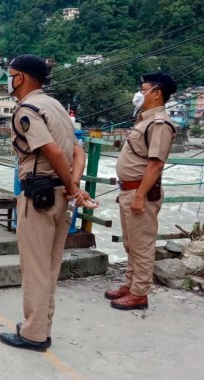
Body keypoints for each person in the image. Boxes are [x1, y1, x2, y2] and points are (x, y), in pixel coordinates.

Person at [0, 54, 90, 352]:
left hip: (39, 196)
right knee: (50, 268)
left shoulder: (28, 109)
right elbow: (78, 152)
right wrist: (73, 187)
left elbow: (53, 152)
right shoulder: (57, 107)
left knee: (35, 268)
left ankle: (33, 334)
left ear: (20, 77)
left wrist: (72, 186)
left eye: (10, 74)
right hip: (60, 196)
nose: (9, 80)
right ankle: (42, 326)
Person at [105, 72, 177, 310]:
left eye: (143, 88)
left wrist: (139, 196)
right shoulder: (144, 120)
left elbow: (156, 164)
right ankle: (130, 283)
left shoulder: (160, 123)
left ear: (156, 93)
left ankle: (139, 293)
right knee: (130, 243)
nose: (139, 93)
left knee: (142, 244)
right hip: (129, 190)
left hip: (140, 193)